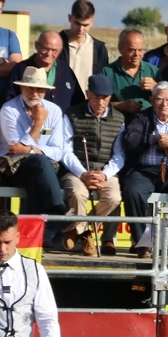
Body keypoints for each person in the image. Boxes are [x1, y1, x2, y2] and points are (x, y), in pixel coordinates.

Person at [0, 67, 86, 246]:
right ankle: (58, 213)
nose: (35, 93)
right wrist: (38, 123)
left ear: (46, 91)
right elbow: (14, 149)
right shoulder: (9, 110)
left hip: (42, 168)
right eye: (30, 88)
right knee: (39, 163)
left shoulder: (54, 111)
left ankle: (35, 239)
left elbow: (58, 151)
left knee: (38, 173)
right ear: (22, 88)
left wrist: (31, 149)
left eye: (40, 89)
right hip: (10, 167)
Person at [120, 81, 168, 257]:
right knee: (133, 191)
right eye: (160, 99)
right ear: (152, 100)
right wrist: (153, 139)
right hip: (144, 171)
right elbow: (129, 140)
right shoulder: (141, 117)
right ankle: (142, 243)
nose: (165, 104)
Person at [61, 74, 125, 257]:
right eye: (96, 96)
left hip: (106, 171)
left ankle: (81, 229)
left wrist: (104, 175)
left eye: (104, 97)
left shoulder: (119, 119)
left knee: (113, 197)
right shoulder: (72, 114)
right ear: (88, 94)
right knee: (77, 193)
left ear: (110, 97)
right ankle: (88, 237)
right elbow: (65, 150)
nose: (100, 101)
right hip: (76, 169)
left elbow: (119, 154)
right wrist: (83, 174)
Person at [10, 31, 84, 111]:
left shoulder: (66, 69)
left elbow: (78, 101)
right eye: (45, 48)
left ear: (60, 51)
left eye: (54, 50)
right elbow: (10, 101)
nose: (49, 53)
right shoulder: (20, 69)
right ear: (36, 45)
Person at [101, 29, 158, 117]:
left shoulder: (153, 71)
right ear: (120, 48)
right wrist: (119, 106)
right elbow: (97, 103)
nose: (137, 54)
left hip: (147, 125)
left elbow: (166, 101)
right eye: (132, 50)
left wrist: (156, 88)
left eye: (140, 50)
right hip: (118, 125)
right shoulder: (107, 72)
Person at [59, 0, 109, 94]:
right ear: (70, 18)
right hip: (61, 102)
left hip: (88, 105)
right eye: (77, 23)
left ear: (92, 21)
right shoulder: (56, 45)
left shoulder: (99, 49)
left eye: (85, 25)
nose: (81, 29)